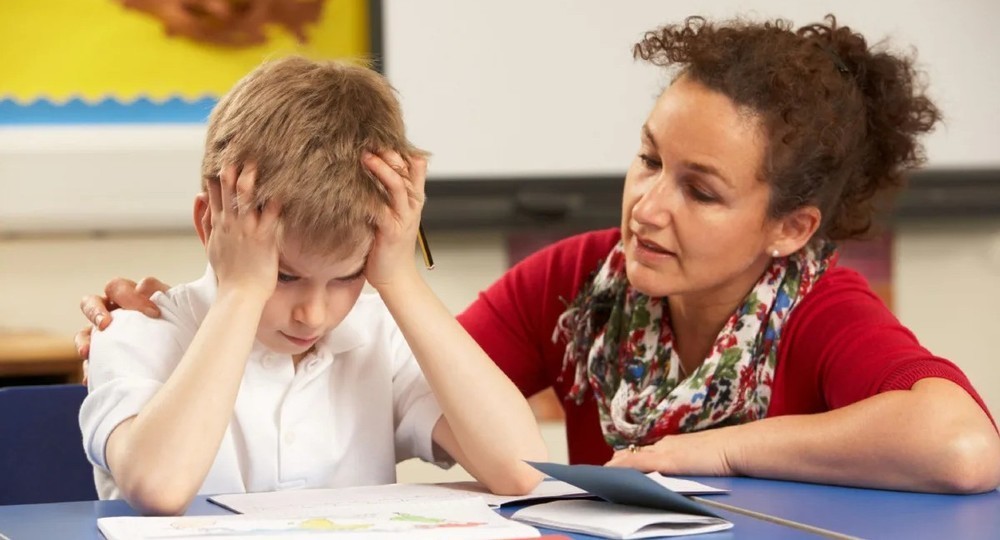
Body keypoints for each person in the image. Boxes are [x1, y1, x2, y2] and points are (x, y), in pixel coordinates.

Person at [78, 15, 1000, 494]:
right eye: (646, 160)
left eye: (701, 190)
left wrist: (705, 452)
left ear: (790, 227)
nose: (647, 205)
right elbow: (445, 384)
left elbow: (961, 443)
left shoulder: (819, 308)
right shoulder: (577, 282)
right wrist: (233, 300)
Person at [78, 56, 546, 516]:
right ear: (211, 224)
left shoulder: (380, 337)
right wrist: (243, 292)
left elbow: (524, 471)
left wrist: (399, 277)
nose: (313, 314)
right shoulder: (136, 330)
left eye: (347, 276)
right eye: (284, 276)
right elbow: (159, 488)